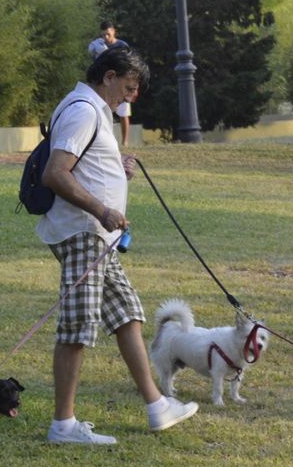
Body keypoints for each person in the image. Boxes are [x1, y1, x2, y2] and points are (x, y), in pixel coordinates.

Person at [38, 44, 197, 445]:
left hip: (97, 238)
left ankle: (157, 406)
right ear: (107, 76)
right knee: (77, 326)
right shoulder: (82, 109)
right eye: (127, 87)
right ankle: (63, 425)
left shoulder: (92, 110)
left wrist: (117, 169)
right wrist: (103, 210)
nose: (130, 97)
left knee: (127, 312)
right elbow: (56, 174)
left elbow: (84, 166)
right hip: (84, 233)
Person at [89, 23, 134, 144]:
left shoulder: (122, 45)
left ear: (114, 31)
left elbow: (129, 63)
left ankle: (125, 142)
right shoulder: (98, 45)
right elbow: (96, 65)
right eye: (103, 35)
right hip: (105, 83)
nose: (106, 37)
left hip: (121, 82)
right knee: (105, 111)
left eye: (108, 34)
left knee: (123, 113)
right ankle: (108, 140)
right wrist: (96, 53)